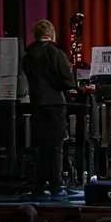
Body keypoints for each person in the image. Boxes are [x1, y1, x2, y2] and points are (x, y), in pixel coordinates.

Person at [22, 19, 78, 197]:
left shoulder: (28, 55)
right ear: (50, 33)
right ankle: (56, 184)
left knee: (39, 145)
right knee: (55, 146)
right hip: (55, 103)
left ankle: (38, 184)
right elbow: (68, 81)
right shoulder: (56, 53)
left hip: (37, 103)